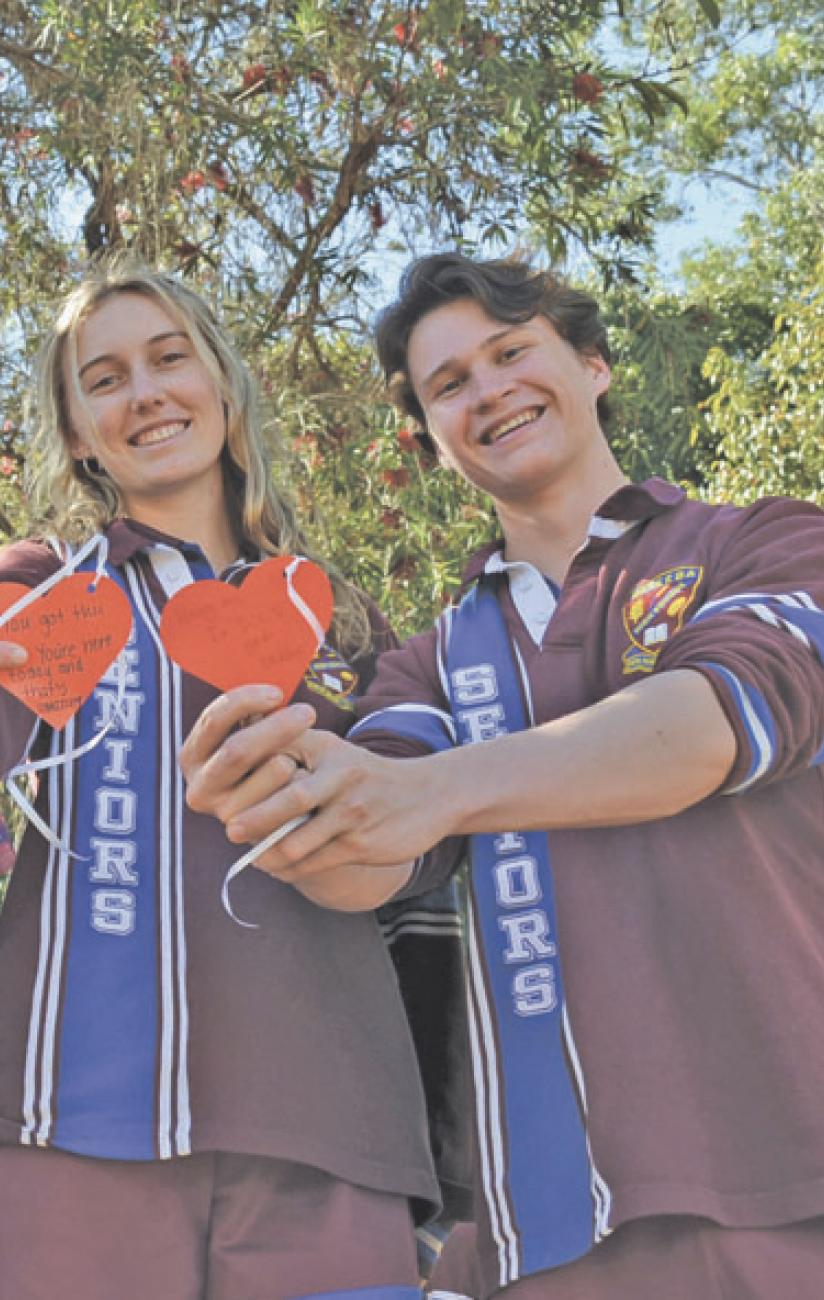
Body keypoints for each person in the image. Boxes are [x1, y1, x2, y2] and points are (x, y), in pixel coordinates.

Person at [181, 251, 824, 1298]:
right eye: (449, 385)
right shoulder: (424, 663)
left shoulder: (765, 543)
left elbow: (710, 729)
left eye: (511, 353)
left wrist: (432, 790)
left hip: (793, 1175)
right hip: (550, 1231)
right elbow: (372, 862)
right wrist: (284, 799)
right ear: (430, 441)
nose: (488, 391)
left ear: (595, 363)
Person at [0, 261, 437, 1300]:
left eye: (171, 359)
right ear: (80, 432)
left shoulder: (338, 614)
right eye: (107, 378)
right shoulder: (47, 580)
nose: (147, 394)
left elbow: (425, 837)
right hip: (63, 1131)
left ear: (223, 385)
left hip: (329, 1134)